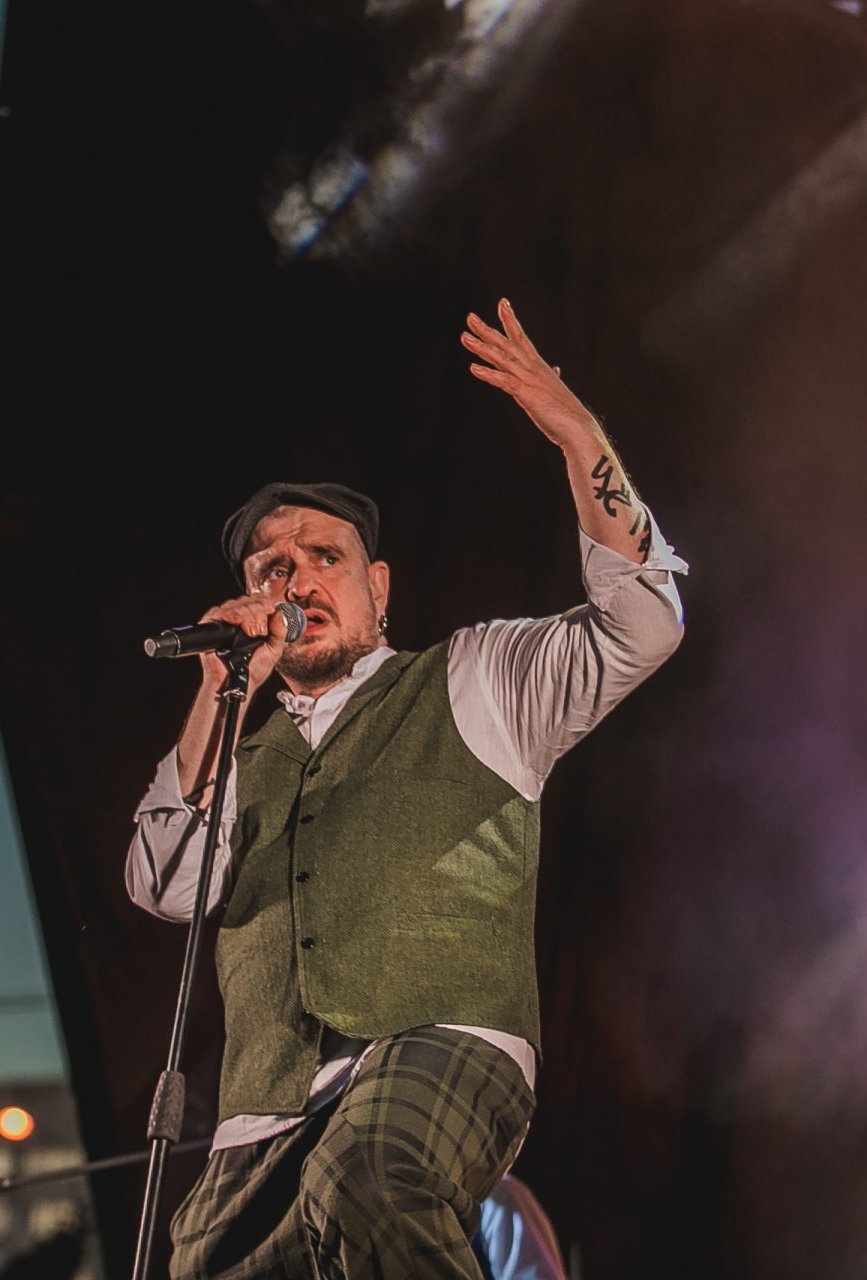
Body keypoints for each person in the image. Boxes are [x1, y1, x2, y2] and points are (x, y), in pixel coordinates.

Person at [126, 299, 687, 1278]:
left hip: (440, 1048)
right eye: (272, 567)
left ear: (378, 588)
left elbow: (645, 623)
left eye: (326, 558)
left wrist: (578, 435)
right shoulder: (236, 753)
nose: (297, 579)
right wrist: (221, 684)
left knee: (368, 1174)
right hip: (261, 1115)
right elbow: (165, 884)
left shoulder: (474, 679)